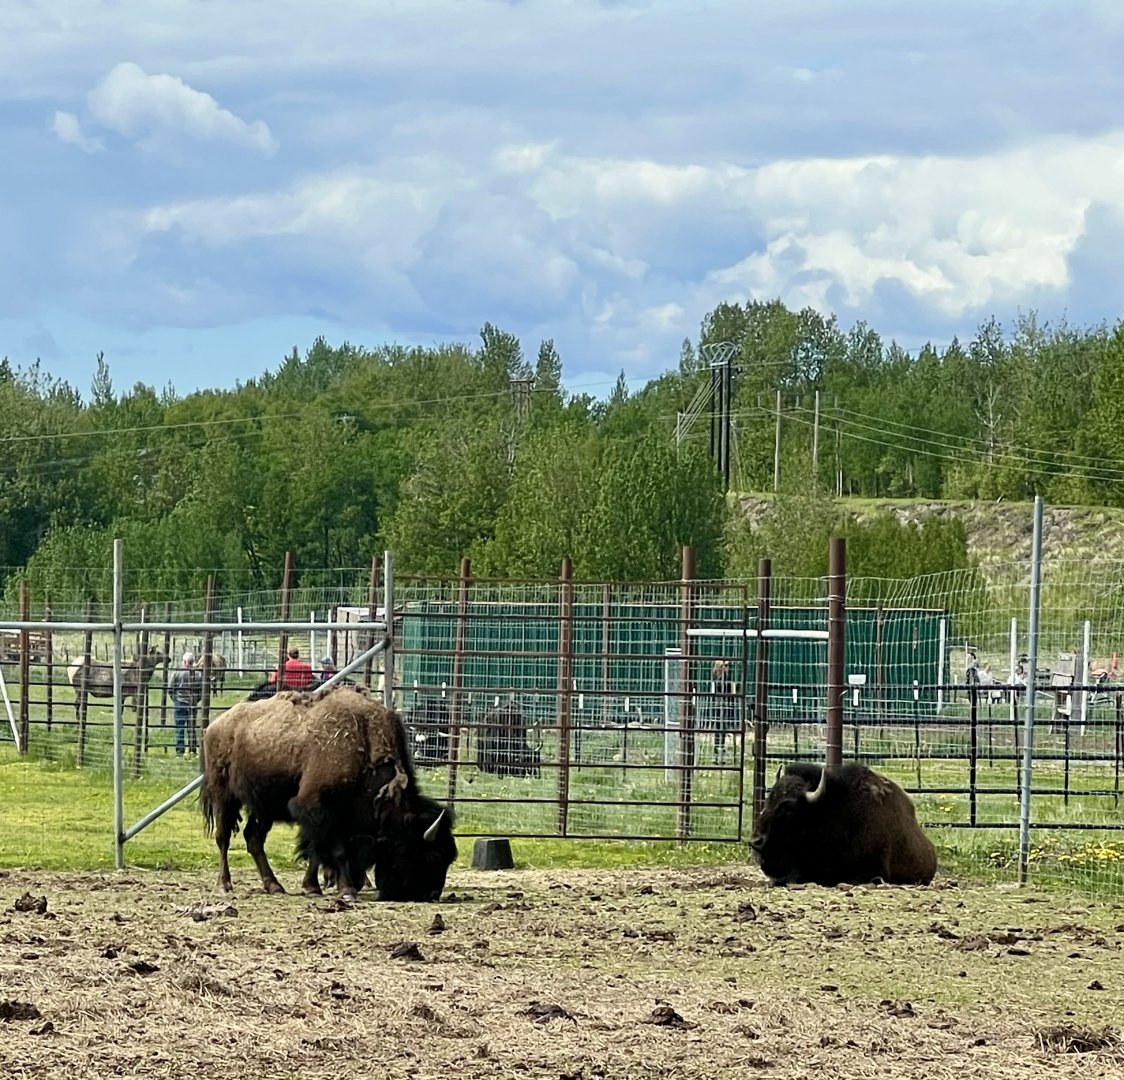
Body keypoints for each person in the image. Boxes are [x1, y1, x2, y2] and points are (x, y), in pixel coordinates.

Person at [170, 651, 203, 756]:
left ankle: (180, 751)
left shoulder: (177, 673)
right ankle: (192, 749)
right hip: (192, 704)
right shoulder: (198, 674)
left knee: (180, 728)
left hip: (180, 703)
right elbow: (201, 691)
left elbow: (170, 688)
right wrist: (196, 700)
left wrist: (175, 699)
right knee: (191, 727)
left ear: (184, 662)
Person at [710, 658, 738, 763]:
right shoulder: (721, 679)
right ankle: (719, 753)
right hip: (722, 708)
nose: (728, 668)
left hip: (722, 707)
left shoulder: (722, 678)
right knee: (720, 731)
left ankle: (718, 753)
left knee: (720, 731)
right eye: (725, 666)